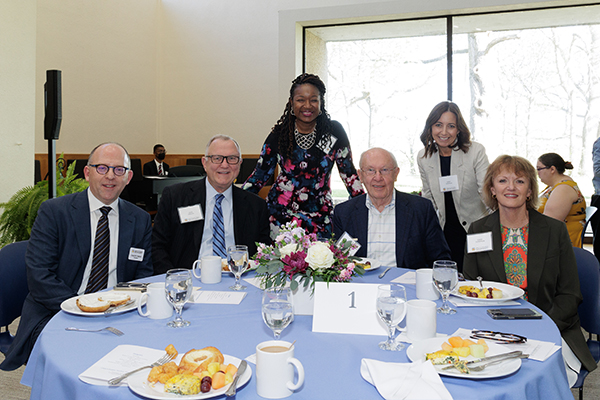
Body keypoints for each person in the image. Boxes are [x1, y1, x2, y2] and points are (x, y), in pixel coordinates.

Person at [0, 143, 153, 371]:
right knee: (82, 357)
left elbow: (143, 275)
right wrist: (82, 307)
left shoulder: (139, 219)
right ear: (87, 172)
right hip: (59, 310)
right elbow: (40, 276)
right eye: (102, 168)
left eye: (118, 170)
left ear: (128, 177)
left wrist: (119, 309)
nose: (110, 176)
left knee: (146, 355)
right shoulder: (54, 212)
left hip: (118, 312)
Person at [463, 155, 596, 386]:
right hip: (494, 330)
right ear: (492, 189)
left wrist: (542, 325)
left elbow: (570, 293)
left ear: (530, 191)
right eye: (503, 181)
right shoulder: (478, 230)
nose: (511, 187)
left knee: (529, 381)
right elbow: (473, 291)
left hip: (549, 327)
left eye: (520, 181)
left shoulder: (554, 230)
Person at [242, 73, 363, 239]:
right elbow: (259, 177)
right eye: (300, 99)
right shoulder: (280, 135)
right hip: (280, 220)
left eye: (313, 99)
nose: (307, 105)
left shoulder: (333, 133)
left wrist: (366, 206)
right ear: (291, 102)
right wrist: (234, 200)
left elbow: (349, 176)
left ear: (321, 103)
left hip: (320, 220)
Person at [152, 135, 271, 275]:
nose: (225, 165)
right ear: (204, 162)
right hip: (190, 279)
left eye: (232, 158)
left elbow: (263, 252)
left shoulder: (256, 206)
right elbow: (157, 246)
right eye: (217, 158)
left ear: (239, 164)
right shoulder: (175, 197)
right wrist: (174, 279)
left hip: (239, 279)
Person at [333, 147, 451, 269]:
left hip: (407, 286)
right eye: (370, 170)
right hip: (361, 285)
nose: (378, 178)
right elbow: (339, 262)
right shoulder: (344, 213)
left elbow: (441, 260)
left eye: (384, 170)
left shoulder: (421, 209)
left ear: (396, 173)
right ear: (360, 176)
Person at [417, 101, 489, 272]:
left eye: (450, 126)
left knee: (476, 281)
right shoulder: (423, 157)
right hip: (444, 234)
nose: (443, 132)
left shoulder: (475, 152)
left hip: (476, 231)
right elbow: (428, 199)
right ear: (430, 128)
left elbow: (487, 192)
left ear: (458, 129)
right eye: (438, 125)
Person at [536, 153, 586, 247]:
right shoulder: (557, 185)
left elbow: (550, 223)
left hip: (561, 243)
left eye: (539, 169)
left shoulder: (563, 189)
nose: (537, 173)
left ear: (552, 169)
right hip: (555, 237)